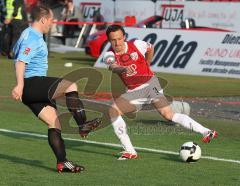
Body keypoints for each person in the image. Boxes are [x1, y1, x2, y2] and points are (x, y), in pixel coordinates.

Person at [103, 25, 218, 160]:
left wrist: (148, 62)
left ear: (124, 37)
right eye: (113, 40)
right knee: (168, 115)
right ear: (109, 41)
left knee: (114, 111)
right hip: (138, 89)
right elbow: (112, 66)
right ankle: (206, 131)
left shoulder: (137, 44)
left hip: (149, 84)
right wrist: (121, 69)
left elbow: (150, 48)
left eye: (119, 39)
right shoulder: (109, 54)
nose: (117, 43)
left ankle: (130, 151)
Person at [11, 5, 101, 173]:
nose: (52, 23)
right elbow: (20, 61)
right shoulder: (33, 37)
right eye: (51, 20)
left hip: (30, 89)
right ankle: (82, 125)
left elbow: (14, 52)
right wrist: (20, 85)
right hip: (31, 84)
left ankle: (62, 163)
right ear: (43, 19)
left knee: (55, 123)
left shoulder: (27, 34)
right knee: (70, 85)